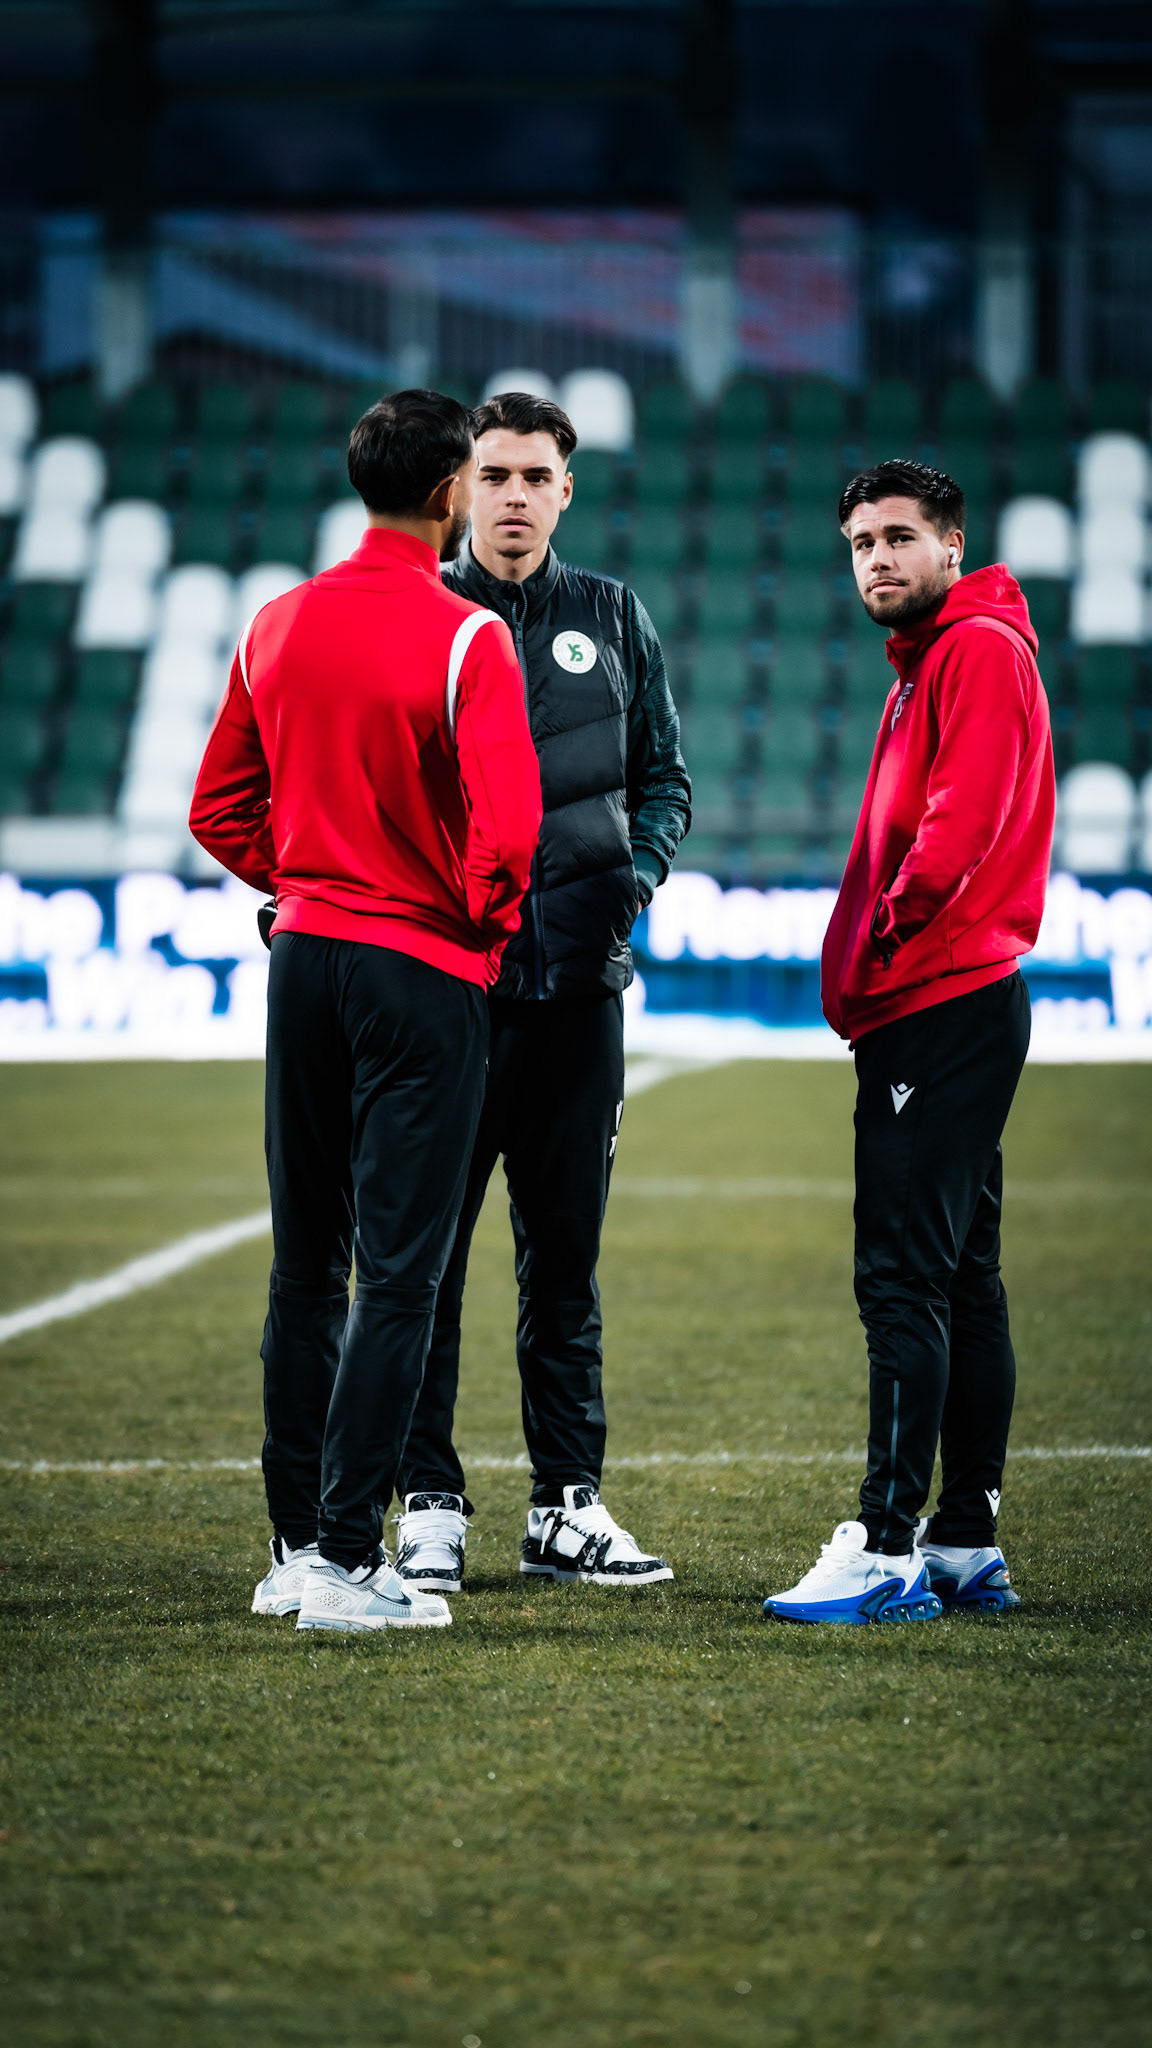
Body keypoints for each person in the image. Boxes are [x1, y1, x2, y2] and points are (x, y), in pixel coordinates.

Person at [188, 389, 542, 1635]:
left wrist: (298, 886)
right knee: (400, 1270)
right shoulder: (467, 638)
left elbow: (215, 807)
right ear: (451, 491)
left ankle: (295, 1550)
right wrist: (475, 934)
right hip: (419, 973)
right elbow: (509, 835)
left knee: (304, 1264)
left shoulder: (274, 623)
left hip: (306, 961)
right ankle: (349, 1556)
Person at [392, 390, 691, 1593]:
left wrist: (637, 880)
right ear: (459, 487)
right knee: (427, 1265)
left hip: (577, 993)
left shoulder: (613, 615)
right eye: (495, 473)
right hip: (446, 997)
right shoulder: (415, 615)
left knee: (563, 1265)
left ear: (568, 490)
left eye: (537, 476)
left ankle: (567, 1505)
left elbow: (664, 776)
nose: (515, 495)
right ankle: (428, 1506)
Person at [763, 459, 1055, 1627]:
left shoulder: (974, 649)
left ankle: (885, 1545)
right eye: (859, 544)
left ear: (951, 543)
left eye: (898, 537)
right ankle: (963, 1540)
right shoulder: (935, 658)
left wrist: (887, 936)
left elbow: (960, 825)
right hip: (955, 1001)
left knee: (901, 1278)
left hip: (936, 1003)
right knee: (961, 1280)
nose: (876, 560)